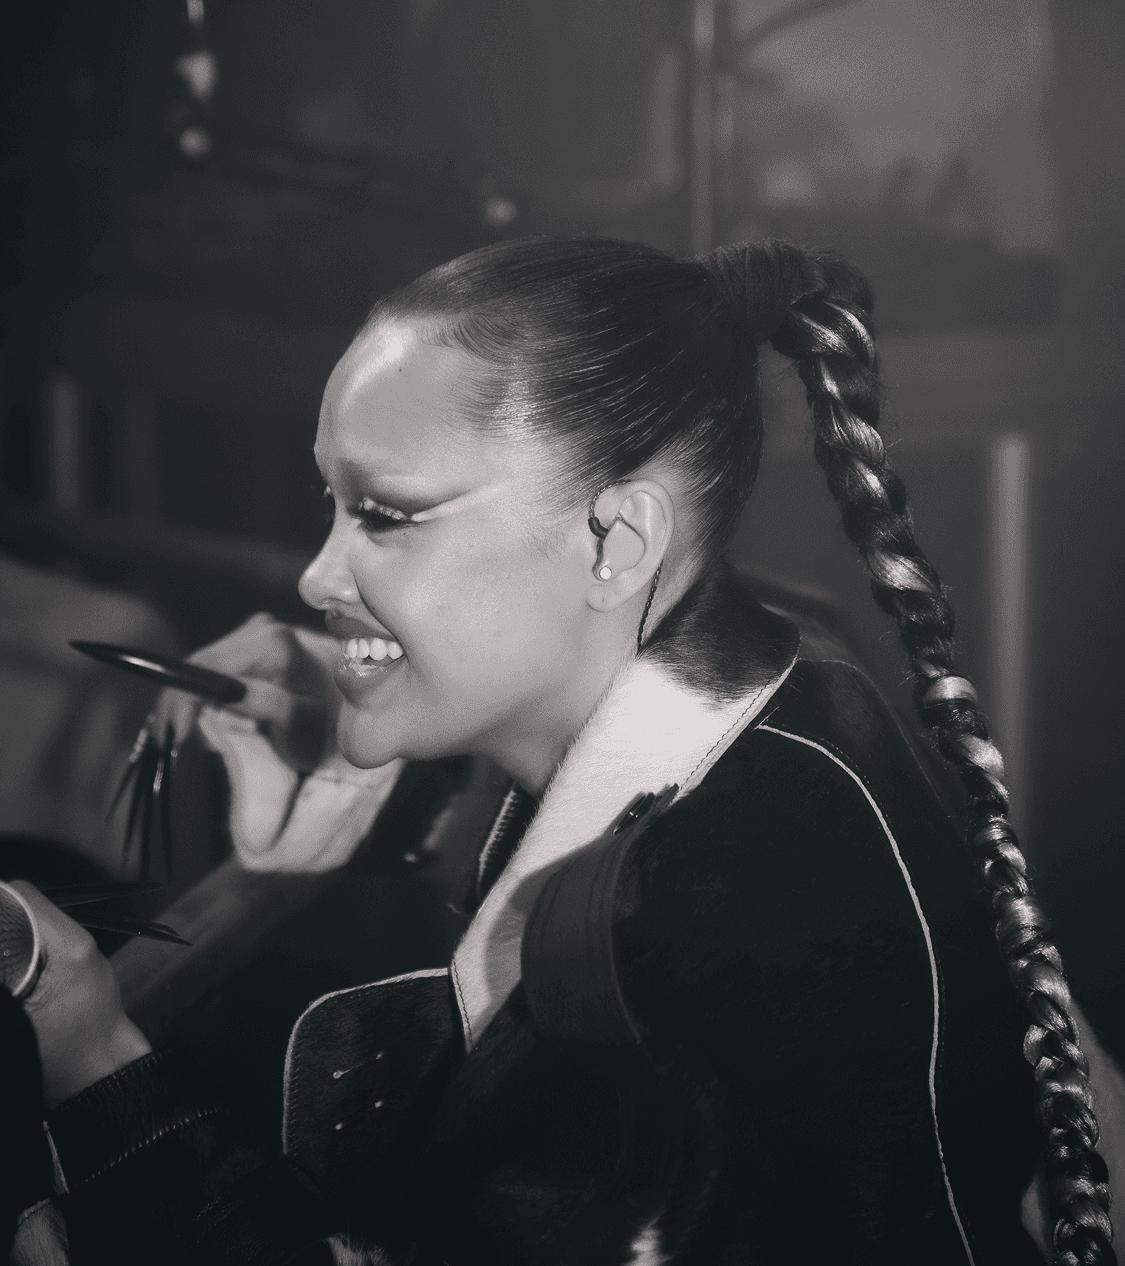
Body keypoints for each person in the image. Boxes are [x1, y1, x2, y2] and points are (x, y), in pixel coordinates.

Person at [10, 237, 1118, 1265]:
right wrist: (383, 748)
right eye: (330, 503)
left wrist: (101, 1074)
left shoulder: (706, 940)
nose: (316, 575)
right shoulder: (787, 678)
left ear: (618, 541)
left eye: (385, 515)